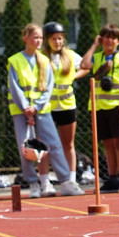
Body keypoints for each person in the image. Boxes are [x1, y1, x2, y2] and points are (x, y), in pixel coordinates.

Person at [9, 24, 84, 198]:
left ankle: (65, 181)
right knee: (27, 147)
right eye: (35, 37)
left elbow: (48, 87)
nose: (38, 41)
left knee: (54, 144)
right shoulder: (15, 61)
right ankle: (34, 184)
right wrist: (26, 109)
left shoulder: (44, 60)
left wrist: (37, 106)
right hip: (22, 112)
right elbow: (15, 87)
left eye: (40, 38)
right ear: (25, 38)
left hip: (41, 110)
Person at [80, 24, 119, 193]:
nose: (109, 40)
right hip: (99, 107)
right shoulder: (96, 58)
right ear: (101, 38)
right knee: (107, 143)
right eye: (106, 37)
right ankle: (112, 178)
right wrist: (94, 45)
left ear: (118, 41)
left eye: (113, 38)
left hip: (117, 107)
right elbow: (83, 65)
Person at [43, 21, 89, 188]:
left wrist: (75, 76)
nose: (57, 42)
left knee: (68, 143)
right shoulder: (41, 56)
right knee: (45, 145)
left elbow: (86, 66)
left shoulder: (70, 55)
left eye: (60, 38)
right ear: (47, 40)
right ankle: (45, 180)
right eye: (54, 39)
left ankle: (71, 178)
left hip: (66, 105)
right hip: (47, 107)